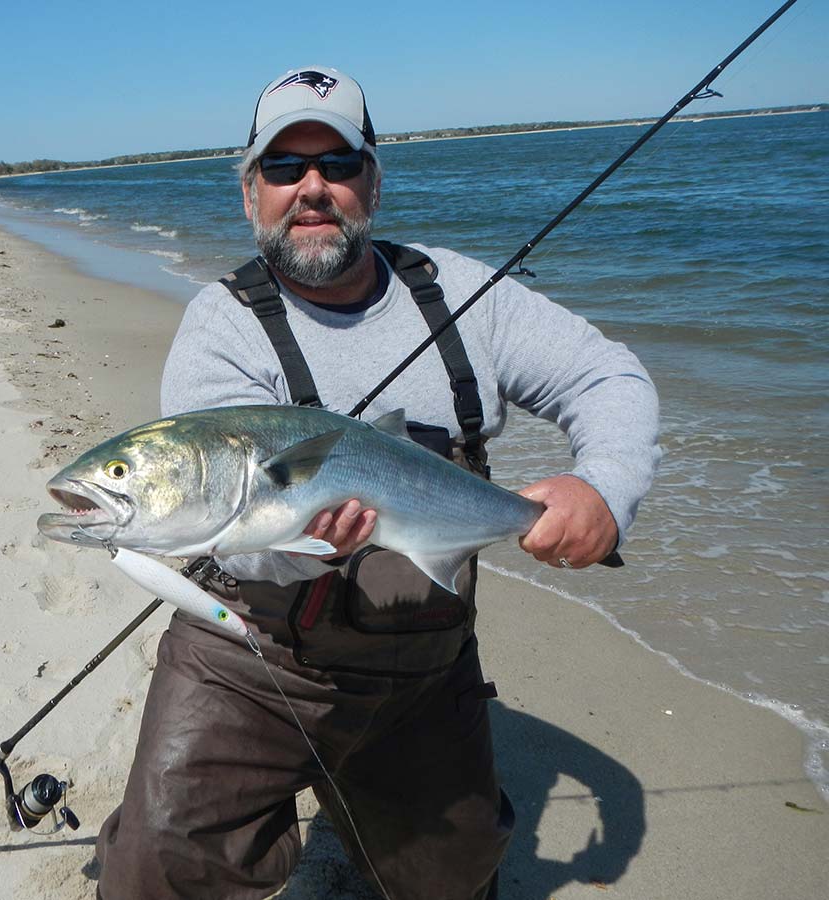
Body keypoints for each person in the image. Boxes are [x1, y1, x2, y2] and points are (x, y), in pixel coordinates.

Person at [95, 66, 660, 900]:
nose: (312, 188)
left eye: (339, 165)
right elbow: (232, 535)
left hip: (422, 658)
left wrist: (602, 487)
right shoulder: (220, 330)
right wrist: (300, 547)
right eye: (285, 169)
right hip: (249, 654)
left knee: (454, 878)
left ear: (374, 183)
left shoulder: (465, 296)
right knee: (153, 875)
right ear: (251, 193)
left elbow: (609, 379)